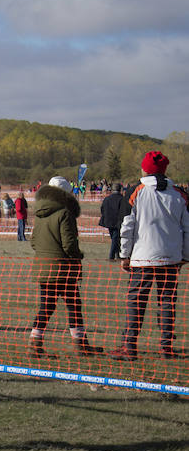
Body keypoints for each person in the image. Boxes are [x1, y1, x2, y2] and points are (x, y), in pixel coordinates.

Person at [109, 151, 189, 361]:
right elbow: (187, 228)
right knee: (167, 302)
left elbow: (127, 226)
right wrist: (185, 256)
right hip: (171, 259)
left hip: (142, 258)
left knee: (136, 301)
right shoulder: (179, 194)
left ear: (145, 169)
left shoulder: (136, 191)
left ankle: (129, 347)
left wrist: (124, 254)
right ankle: (166, 347)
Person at [28, 176, 103, 358]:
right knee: (74, 306)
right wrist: (78, 256)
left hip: (44, 267)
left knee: (47, 306)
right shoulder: (64, 213)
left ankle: (34, 343)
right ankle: (81, 345)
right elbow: (69, 244)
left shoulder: (39, 213)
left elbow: (33, 242)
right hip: (63, 269)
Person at [98, 183, 124, 261]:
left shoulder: (107, 199)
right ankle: (112, 256)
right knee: (115, 239)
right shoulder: (122, 199)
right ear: (120, 190)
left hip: (108, 221)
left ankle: (117, 255)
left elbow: (102, 209)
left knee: (114, 238)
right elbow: (124, 211)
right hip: (117, 222)